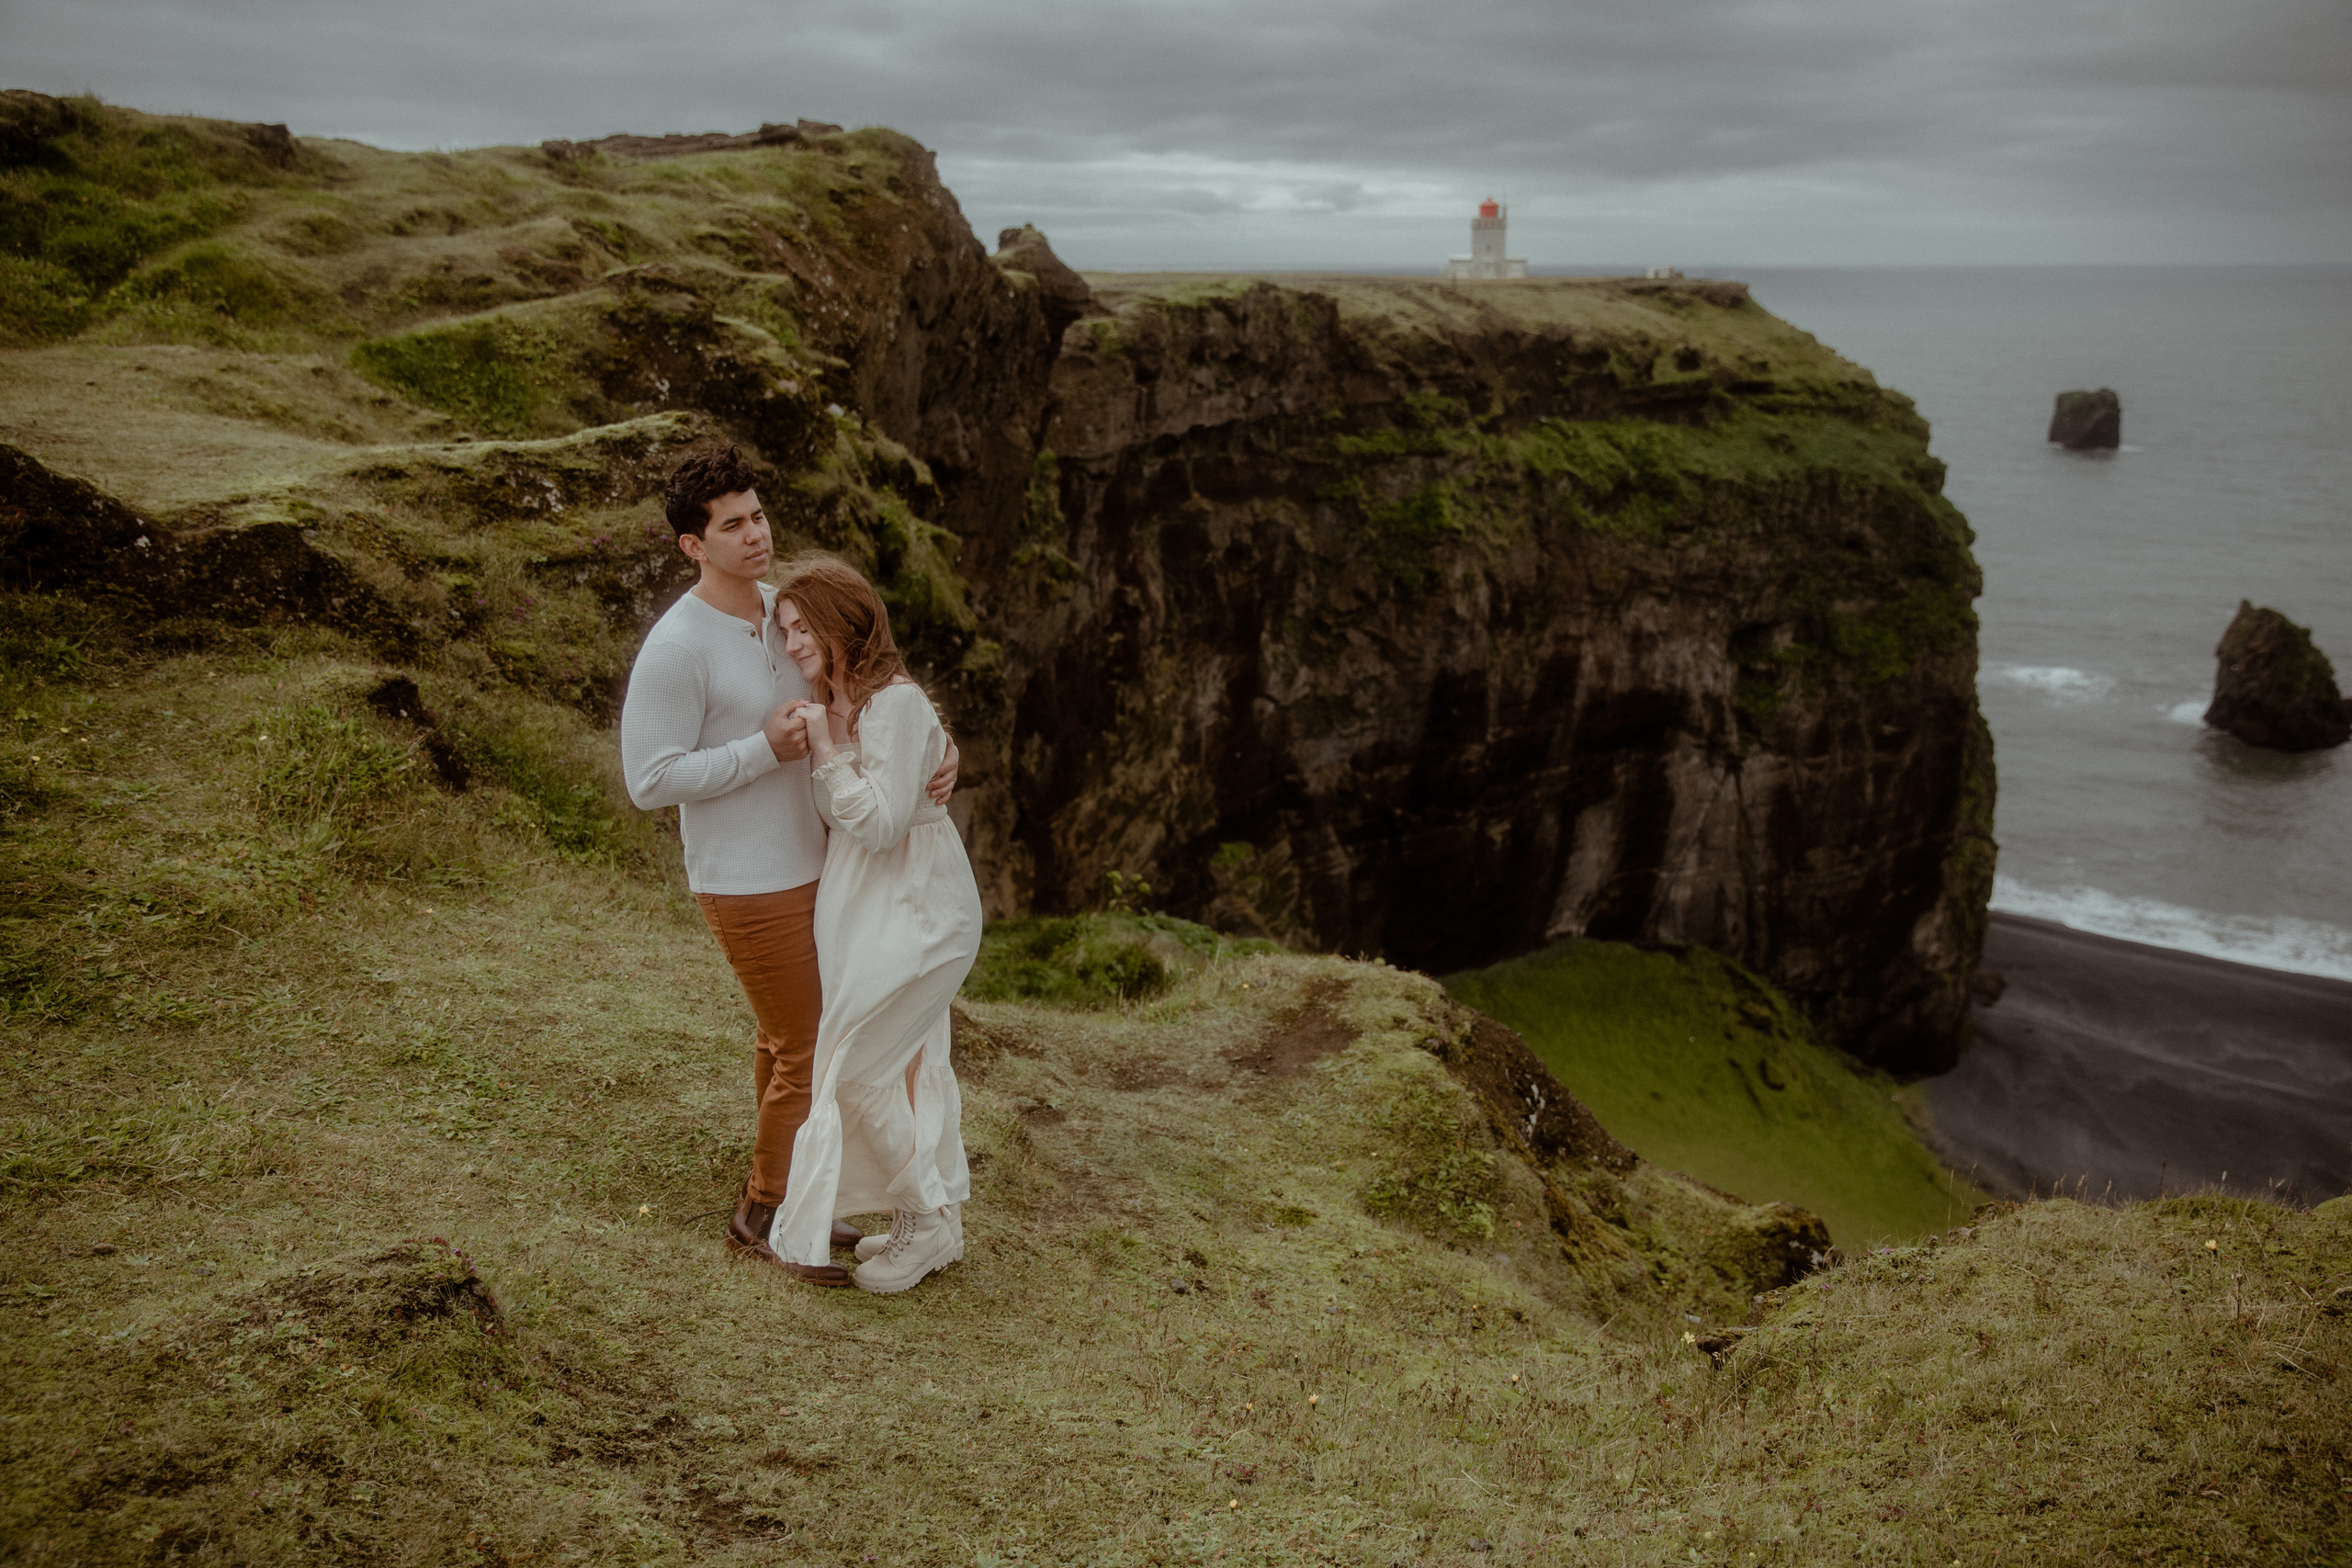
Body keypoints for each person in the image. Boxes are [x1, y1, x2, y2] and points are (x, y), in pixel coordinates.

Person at [618, 446, 956, 1288]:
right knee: (805, 1042)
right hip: (745, 879)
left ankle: (797, 1188)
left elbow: (867, 685)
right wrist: (760, 750)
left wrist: (942, 747)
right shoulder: (676, 646)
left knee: (786, 1039)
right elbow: (648, 779)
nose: (756, 535)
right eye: (732, 525)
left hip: (827, 869)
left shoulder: (785, 613)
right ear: (693, 545)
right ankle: (764, 1214)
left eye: (758, 515)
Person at [765, 552, 981, 1293]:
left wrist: (828, 751)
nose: (792, 642)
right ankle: (934, 1220)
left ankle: (924, 1220)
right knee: (895, 1064)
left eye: (803, 627)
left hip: (919, 909)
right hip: (866, 907)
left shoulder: (894, 703)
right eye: (786, 629)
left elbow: (884, 826)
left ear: (840, 623)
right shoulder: (835, 700)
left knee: (860, 1071)